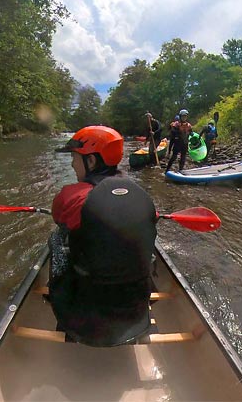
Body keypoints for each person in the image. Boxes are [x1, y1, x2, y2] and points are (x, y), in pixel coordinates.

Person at [51, 125, 158, 346]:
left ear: (91, 161)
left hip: (84, 316)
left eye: (75, 157)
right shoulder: (140, 196)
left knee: (56, 237)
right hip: (135, 310)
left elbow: (58, 217)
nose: (72, 163)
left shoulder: (70, 197)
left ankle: (58, 292)